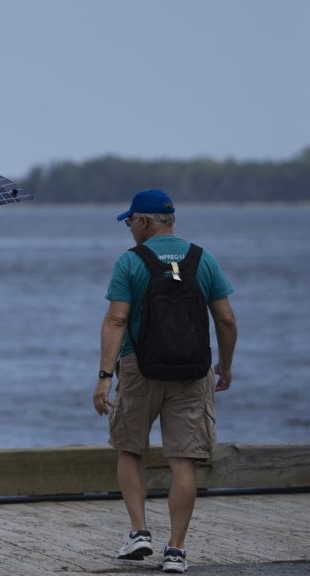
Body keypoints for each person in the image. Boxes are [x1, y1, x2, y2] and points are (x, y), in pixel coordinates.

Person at [93, 189, 238, 574]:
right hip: (193, 372)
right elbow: (226, 319)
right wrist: (224, 366)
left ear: (144, 221)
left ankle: (139, 532)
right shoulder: (200, 258)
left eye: (130, 221)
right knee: (183, 460)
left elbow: (116, 321)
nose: (129, 229)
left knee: (130, 448)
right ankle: (175, 551)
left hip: (140, 368)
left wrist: (105, 378)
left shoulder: (131, 262)